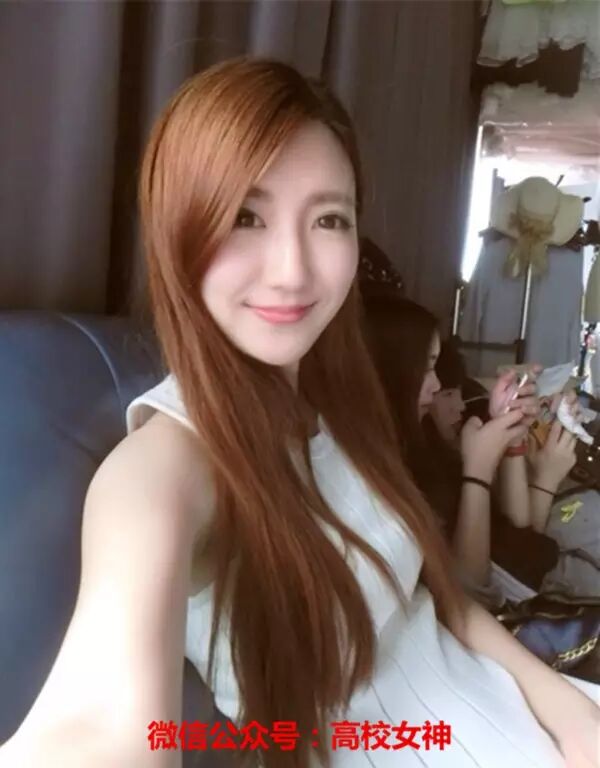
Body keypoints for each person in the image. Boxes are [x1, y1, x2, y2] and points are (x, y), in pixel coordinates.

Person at [1, 57, 598, 768]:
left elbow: (440, 602)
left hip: (518, 710)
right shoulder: (165, 467)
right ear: (176, 230)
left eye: (328, 219)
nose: (291, 270)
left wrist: (570, 712)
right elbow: (100, 730)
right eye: (245, 217)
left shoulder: (334, 402)